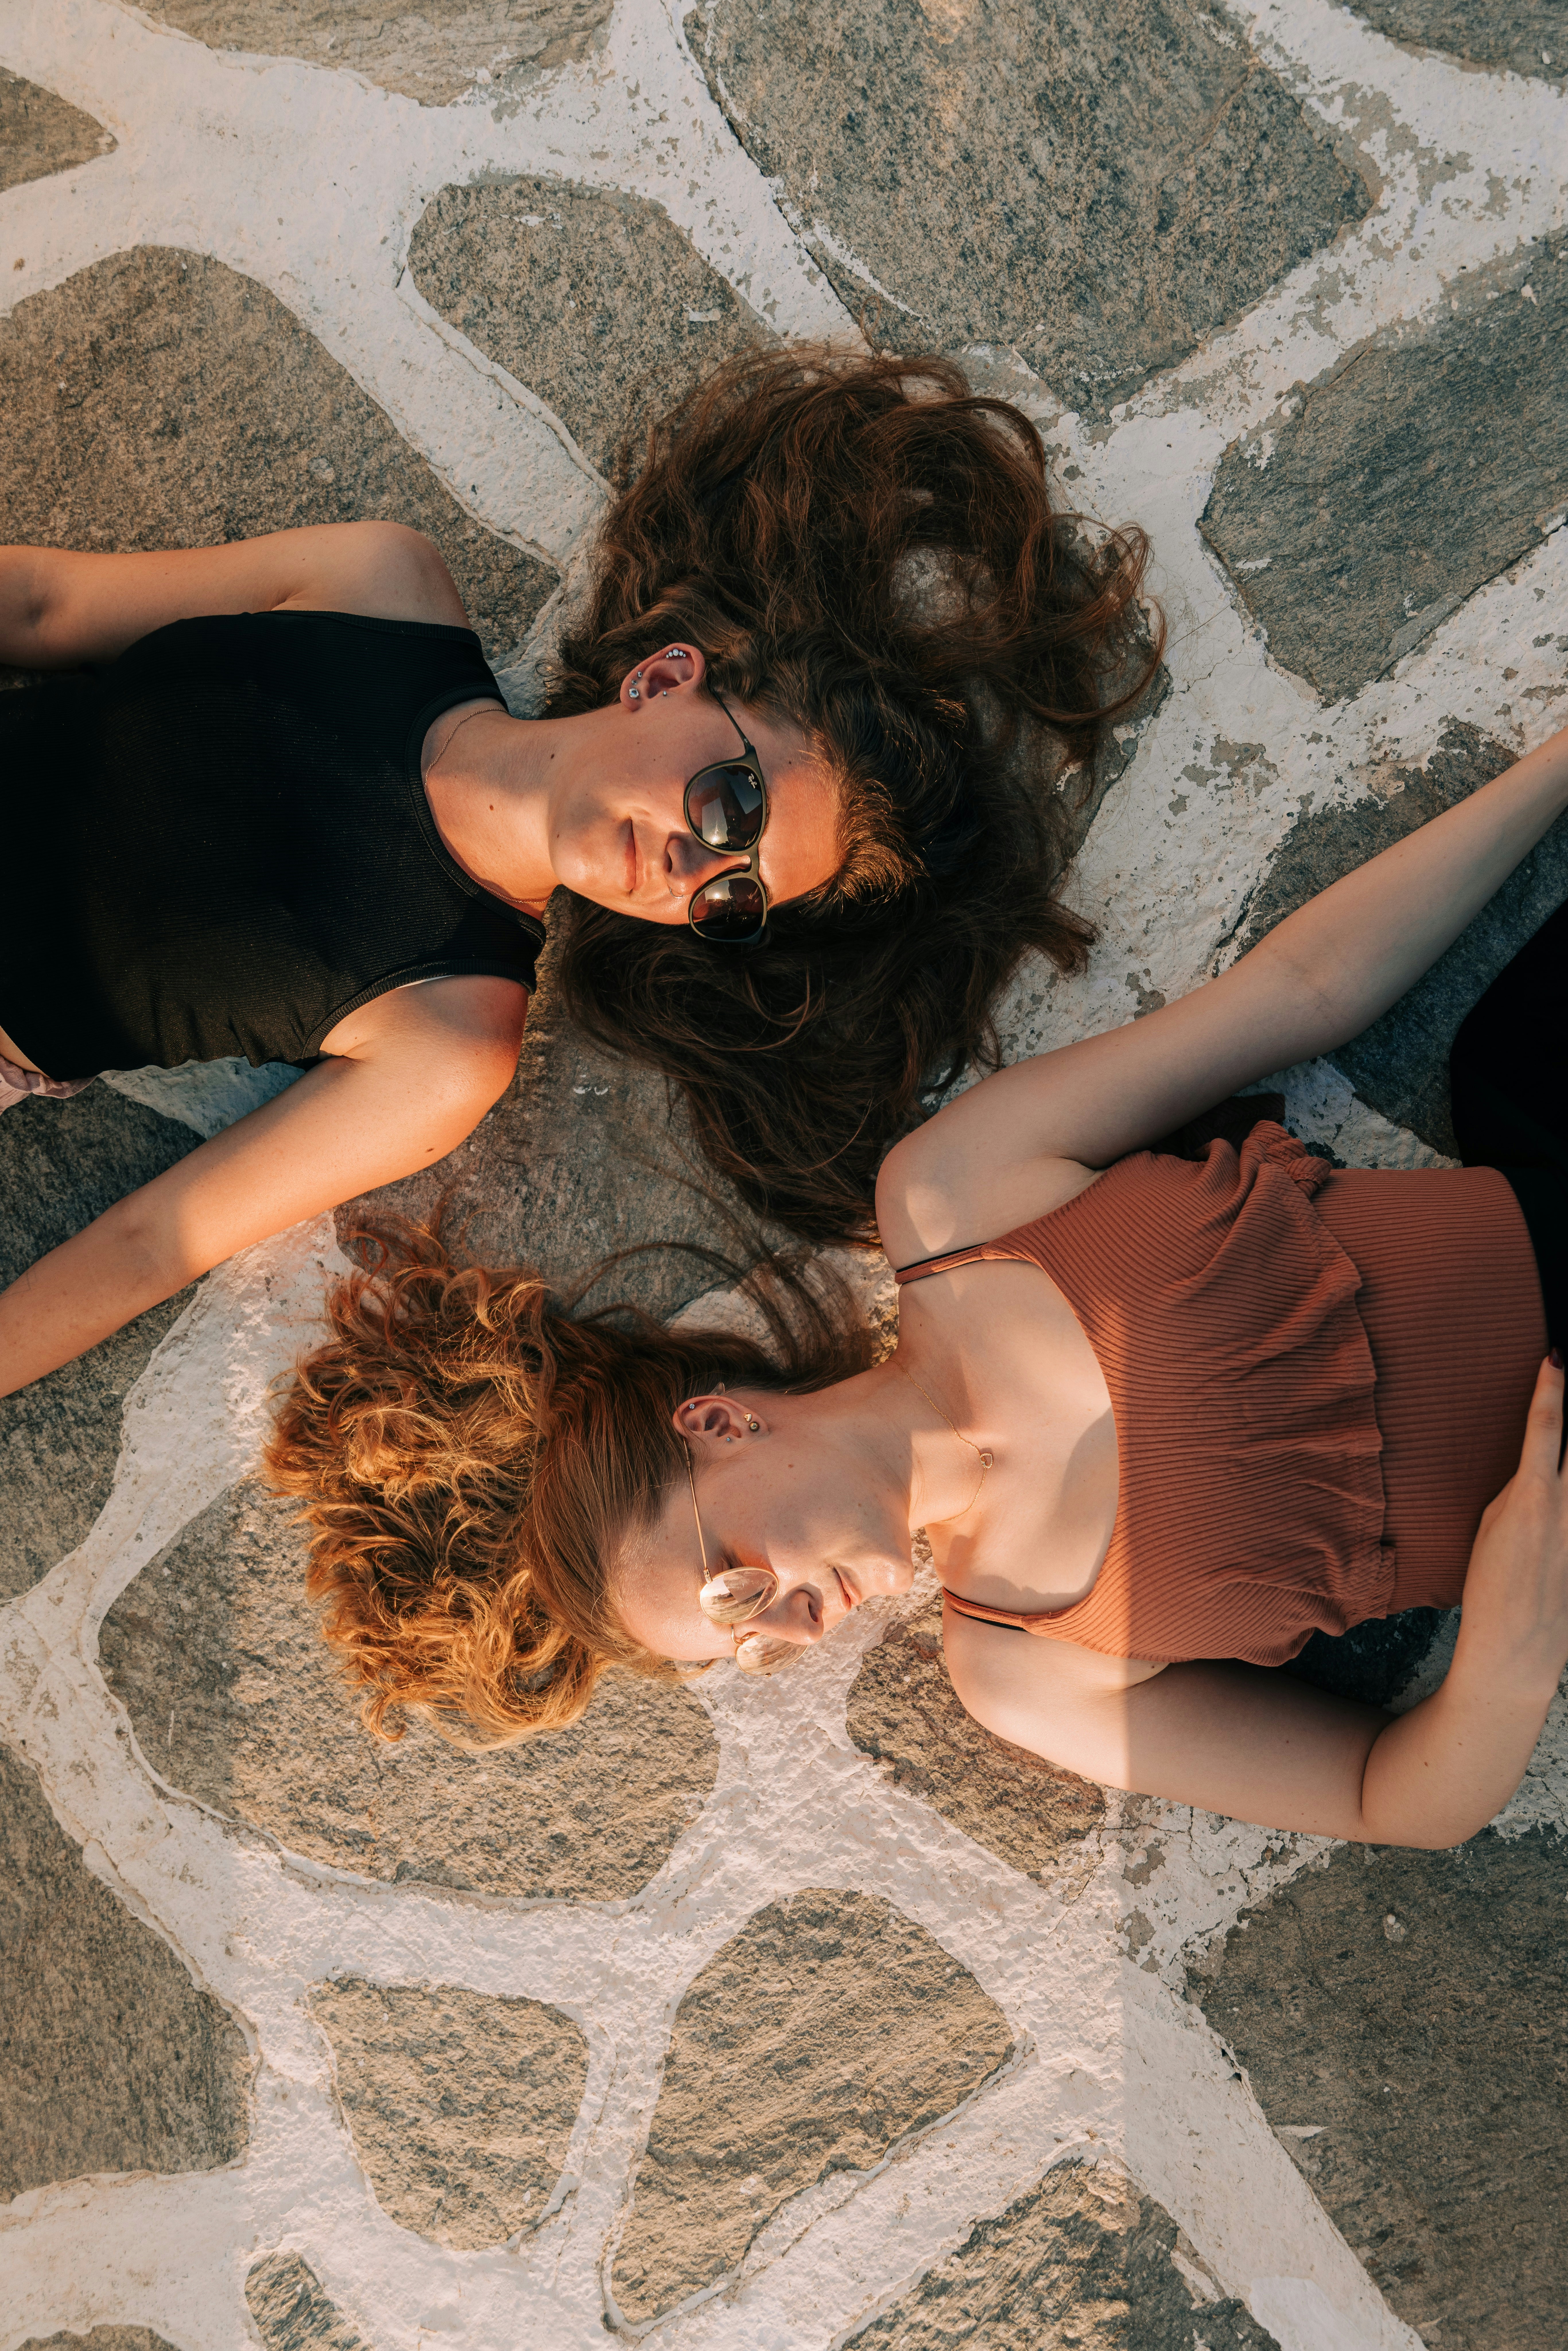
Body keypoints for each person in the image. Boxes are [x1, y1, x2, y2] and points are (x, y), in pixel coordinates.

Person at [269, 708, 1568, 1853]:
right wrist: (1506, 1660)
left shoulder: (952, 1200)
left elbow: (1302, 987)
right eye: (742, 1644)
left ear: (720, 1421)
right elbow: (1391, 1796)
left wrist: (1557, 766)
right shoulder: (1019, 1668)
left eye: (733, 1580)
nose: (781, 1626)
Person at [0, 347, 1158, 1398]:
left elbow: (156, 1242)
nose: (695, 865)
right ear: (663, 678)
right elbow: (46, 603)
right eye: (732, 800)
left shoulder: (450, 1036)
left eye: (735, 894)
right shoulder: (378, 589)